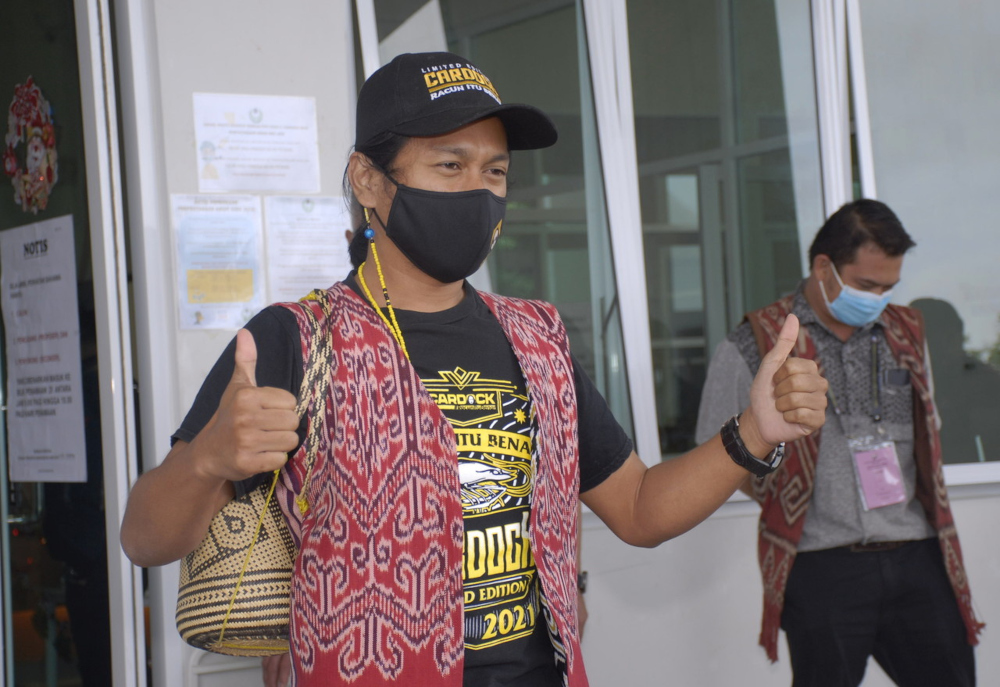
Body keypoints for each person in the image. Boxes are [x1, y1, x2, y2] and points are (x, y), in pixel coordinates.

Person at [121, 51, 827, 687]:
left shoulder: (536, 337)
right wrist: (210, 458)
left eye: (495, 172)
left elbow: (640, 508)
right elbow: (144, 537)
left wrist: (754, 431)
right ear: (369, 179)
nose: (478, 191)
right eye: (449, 166)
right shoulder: (297, 338)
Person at [695, 199, 984, 687]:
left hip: (916, 553)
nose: (877, 298)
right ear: (823, 267)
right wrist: (780, 492)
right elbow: (713, 451)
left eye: (889, 287)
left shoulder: (905, 332)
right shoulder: (759, 340)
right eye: (866, 286)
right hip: (820, 565)